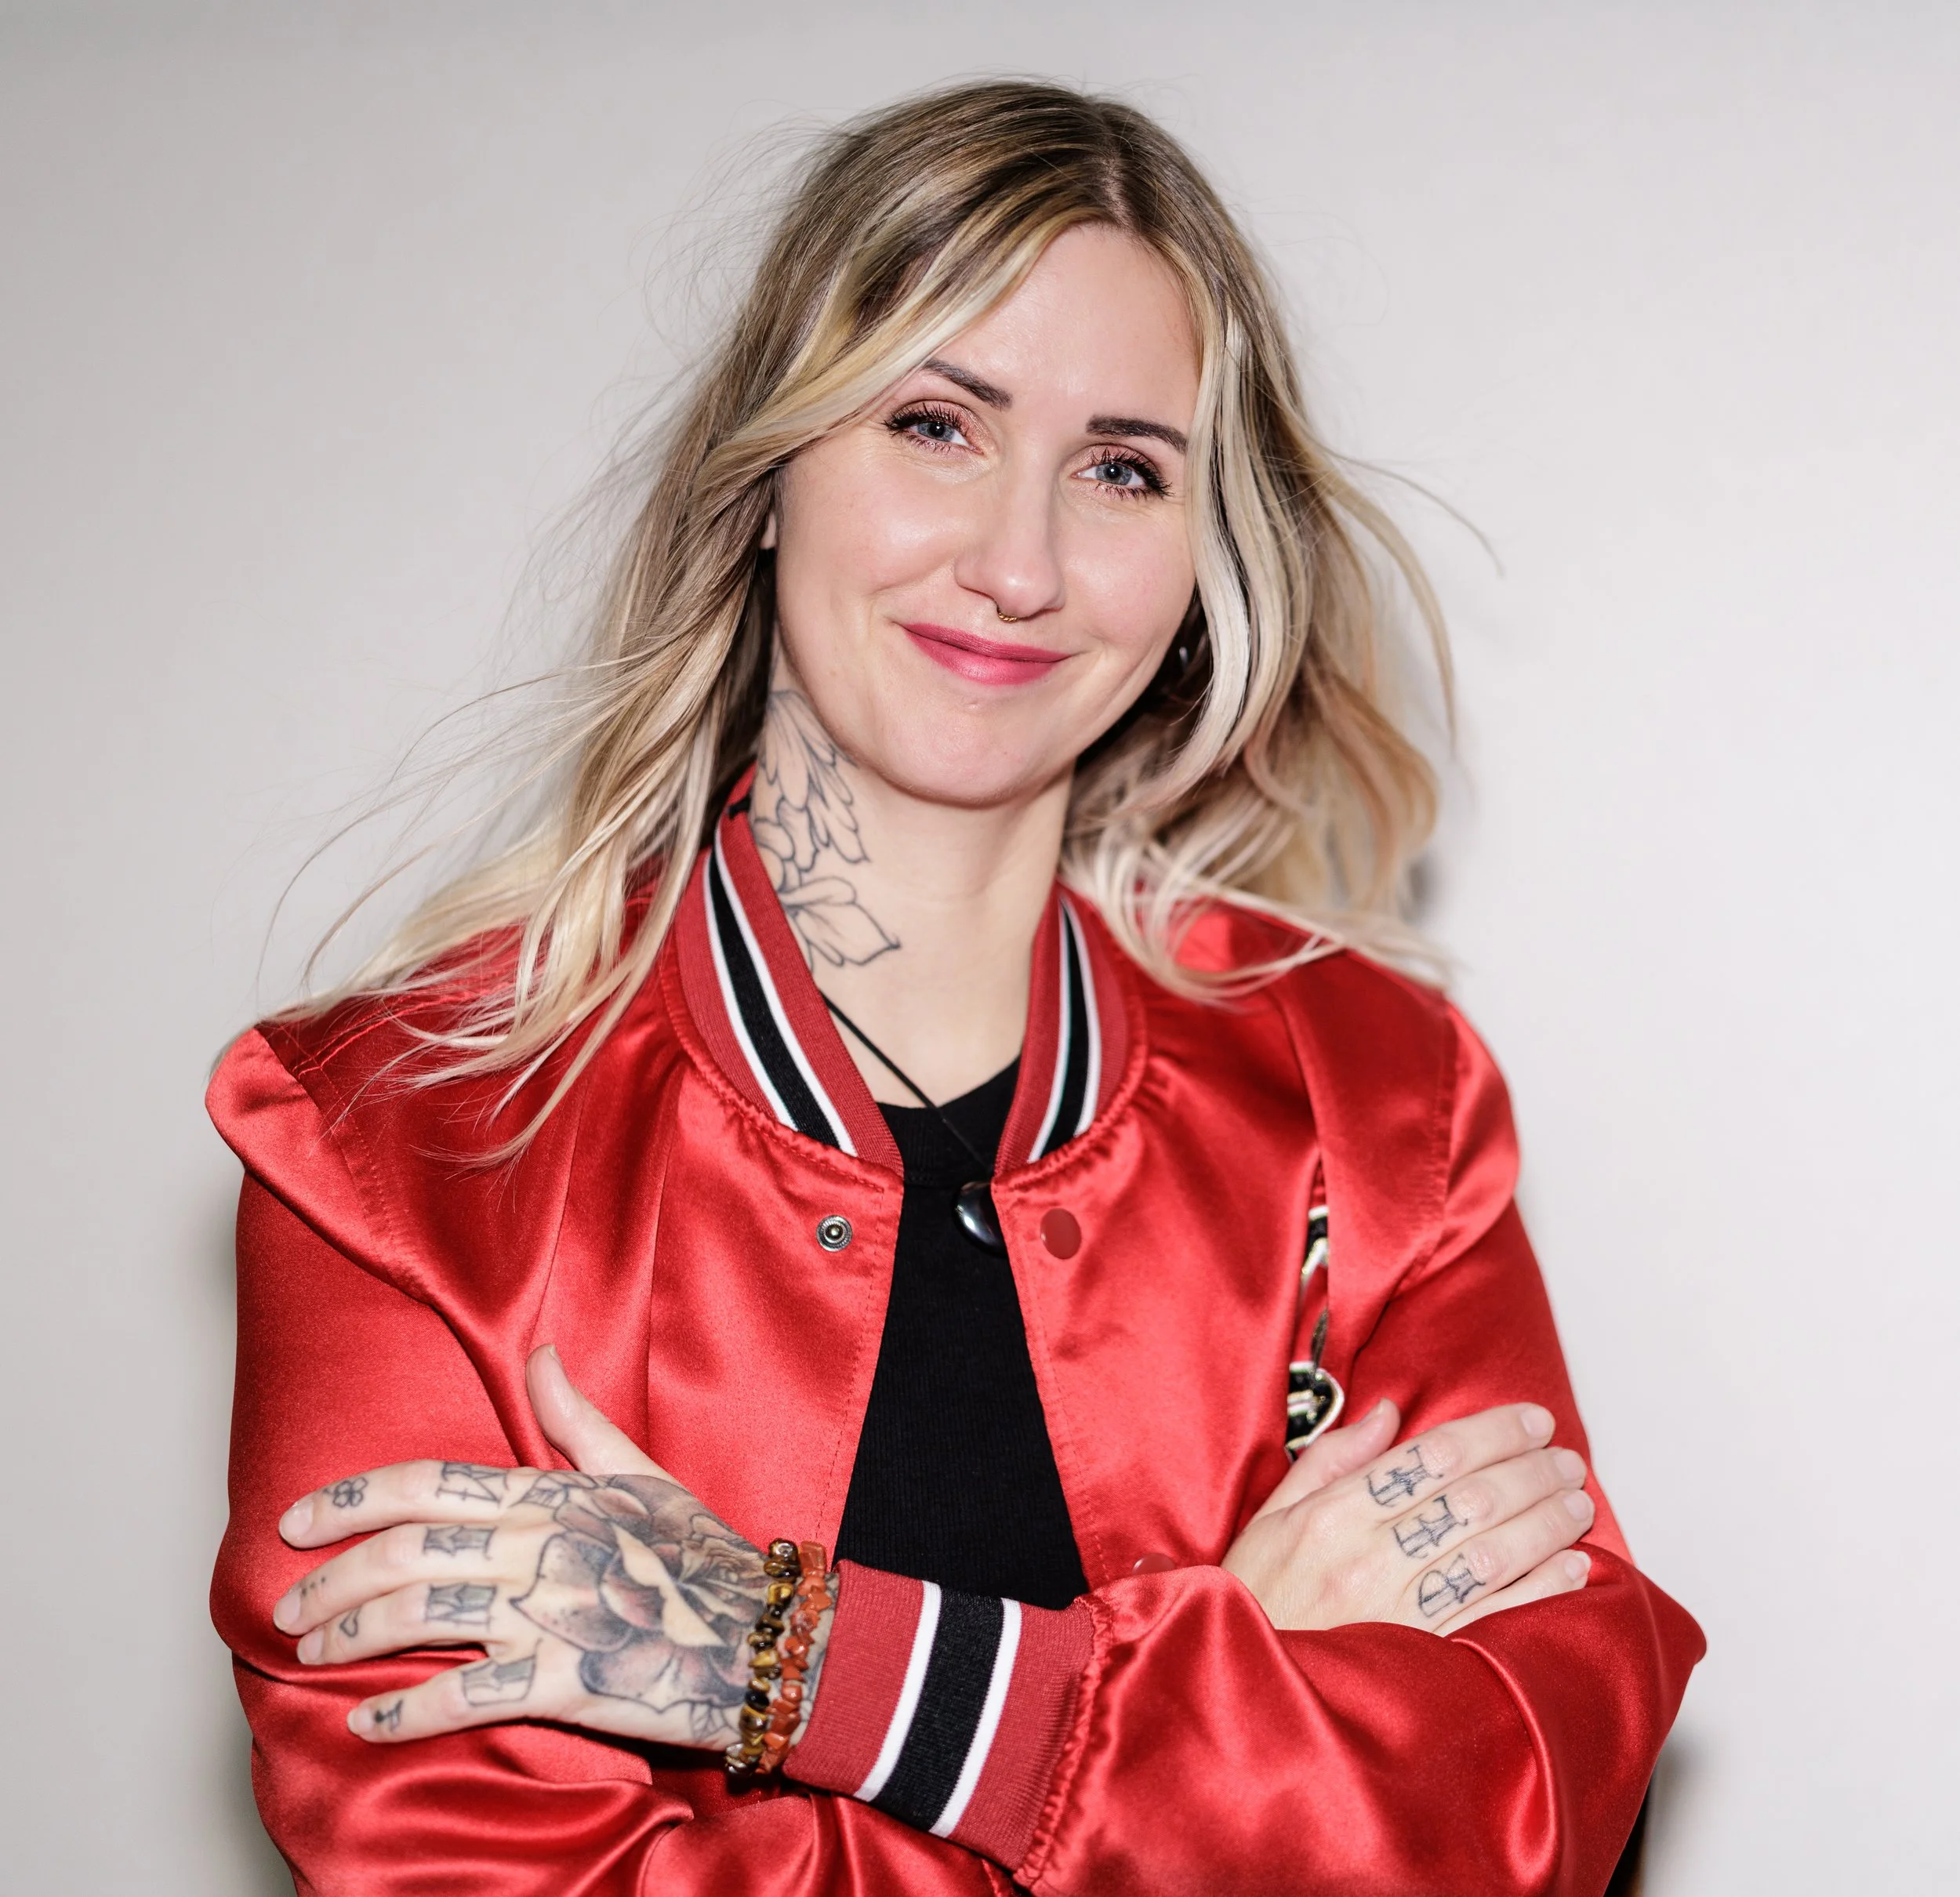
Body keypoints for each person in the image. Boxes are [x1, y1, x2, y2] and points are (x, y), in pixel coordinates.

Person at [209, 80, 1702, 1895]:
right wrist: (1242, 1696)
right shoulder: (402, 1137)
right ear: (761, 481)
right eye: (935, 423)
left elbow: (1519, 1815)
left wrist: (801, 1667)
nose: (1015, 561)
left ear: (1200, 567)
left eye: (1121, 467)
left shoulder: (1372, 1095)